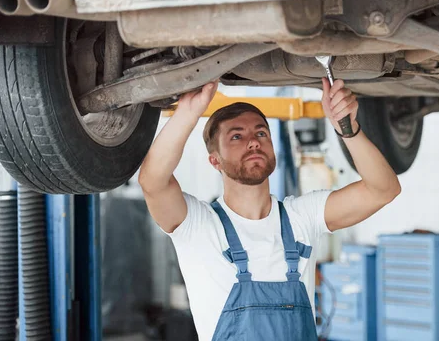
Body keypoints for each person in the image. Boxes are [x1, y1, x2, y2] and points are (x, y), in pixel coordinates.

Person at [139, 78, 401, 341]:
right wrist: (187, 113)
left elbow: (383, 190)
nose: (253, 142)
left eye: (261, 133)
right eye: (237, 136)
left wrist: (348, 129)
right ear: (215, 160)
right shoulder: (197, 226)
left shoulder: (302, 217)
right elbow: (153, 181)